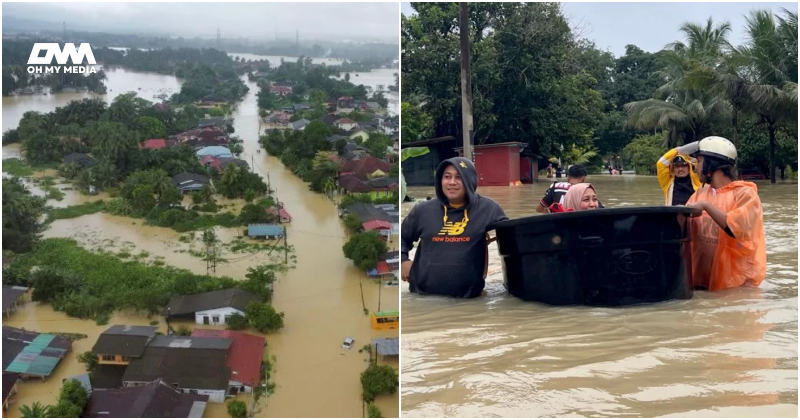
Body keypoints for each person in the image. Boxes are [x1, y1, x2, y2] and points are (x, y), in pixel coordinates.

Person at [400, 157, 508, 298]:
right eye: (447, 177)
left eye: (459, 177)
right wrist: (403, 261)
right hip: (423, 298)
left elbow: (511, 239)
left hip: (468, 300)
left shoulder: (488, 209)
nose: (452, 182)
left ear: (470, 181)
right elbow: (402, 237)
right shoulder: (422, 210)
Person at [684, 136, 766, 291]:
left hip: (736, 286)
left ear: (712, 164)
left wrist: (706, 206)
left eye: (699, 162)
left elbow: (735, 228)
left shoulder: (745, 194)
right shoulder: (699, 194)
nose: (695, 168)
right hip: (702, 284)